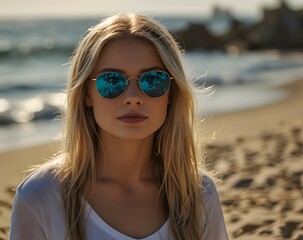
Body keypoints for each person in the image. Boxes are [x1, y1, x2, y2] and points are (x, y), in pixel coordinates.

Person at [9, 13, 229, 240]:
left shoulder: (198, 194)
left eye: (152, 80)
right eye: (112, 81)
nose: (133, 97)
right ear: (86, 94)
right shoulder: (40, 197)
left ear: (171, 93)